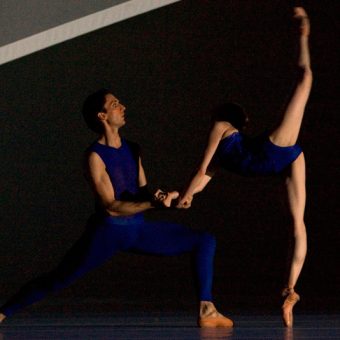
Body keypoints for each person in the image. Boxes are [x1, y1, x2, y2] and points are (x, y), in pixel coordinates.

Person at [0, 89, 233, 328]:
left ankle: (207, 308)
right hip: (107, 233)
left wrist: (168, 198)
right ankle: (2, 312)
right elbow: (111, 206)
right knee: (59, 278)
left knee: (204, 240)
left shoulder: (133, 149)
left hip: (137, 230)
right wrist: (153, 202)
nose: (123, 107)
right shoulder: (94, 156)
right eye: (115, 104)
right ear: (102, 115)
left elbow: (143, 192)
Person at [178, 7, 312, 327]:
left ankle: (290, 290)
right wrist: (186, 194)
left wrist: (186, 196)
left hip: (273, 159)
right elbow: (203, 173)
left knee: (298, 223)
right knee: (305, 78)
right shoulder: (222, 125)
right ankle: (304, 34)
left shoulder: (226, 145)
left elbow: (203, 175)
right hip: (274, 155)